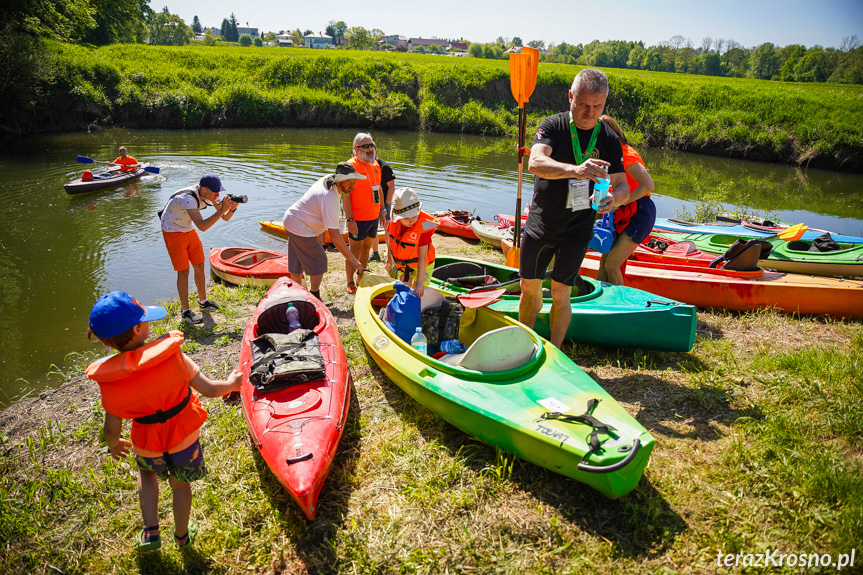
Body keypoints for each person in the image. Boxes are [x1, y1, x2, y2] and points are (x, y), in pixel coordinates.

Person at [84, 291, 242, 551]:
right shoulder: (172, 355)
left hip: (147, 442)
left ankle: (150, 533)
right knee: (180, 485)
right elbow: (211, 390)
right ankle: (181, 536)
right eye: (145, 319)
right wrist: (233, 383)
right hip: (183, 437)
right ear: (138, 329)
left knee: (147, 475)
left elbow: (111, 428)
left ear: (107, 343)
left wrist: (114, 445)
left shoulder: (111, 379)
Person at [520, 68, 630, 348]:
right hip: (541, 225)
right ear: (570, 96)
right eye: (583, 104)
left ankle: (555, 351)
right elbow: (535, 163)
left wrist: (613, 200)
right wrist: (576, 170)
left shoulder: (608, 138)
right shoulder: (552, 126)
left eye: (598, 106)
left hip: (577, 230)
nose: (590, 112)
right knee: (530, 290)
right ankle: (521, 346)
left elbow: (623, 186)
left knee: (561, 294)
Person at [282, 162, 366, 301]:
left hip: (293, 220)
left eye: (354, 181)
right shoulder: (330, 197)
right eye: (348, 181)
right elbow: (335, 236)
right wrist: (353, 260)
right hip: (300, 226)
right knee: (319, 260)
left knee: (296, 263)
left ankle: (297, 296)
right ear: (339, 181)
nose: (352, 185)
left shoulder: (330, 180)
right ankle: (314, 297)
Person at [159, 174, 237, 324]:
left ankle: (203, 301)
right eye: (214, 191)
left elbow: (224, 217)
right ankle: (186, 311)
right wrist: (222, 210)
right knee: (183, 270)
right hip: (172, 230)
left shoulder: (210, 194)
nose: (217, 195)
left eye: (218, 191)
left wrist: (231, 209)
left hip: (187, 228)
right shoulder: (187, 198)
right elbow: (202, 226)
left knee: (199, 264)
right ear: (203, 189)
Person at [597, 115, 656, 285]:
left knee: (612, 265)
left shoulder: (625, 153)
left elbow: (648, 185)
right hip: (622, 211)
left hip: (639, 212)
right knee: (604, 262)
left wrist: (621, 201)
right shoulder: (610, 155)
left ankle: (617, 307)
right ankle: (599, 303)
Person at [343, 133, 385, 294]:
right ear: (356, 148)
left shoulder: (375, 165)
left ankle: (361, 278)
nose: (370, 149)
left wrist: (382, 211)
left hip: (373, 217)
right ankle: (349, 281)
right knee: (353, 252)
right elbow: (345, 196)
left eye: (371, 145)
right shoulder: (349, 167)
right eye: (365, 146)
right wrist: (350, 219)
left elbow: (379, 188)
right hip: (358, 219)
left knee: (367, 249)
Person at [385, 187, 436, 297]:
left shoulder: (423, 228)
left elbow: (422, 257)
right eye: (406, 218)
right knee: (404, 288)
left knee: (418, 292)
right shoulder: (393, 224)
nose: (411, 221)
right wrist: (389, 258)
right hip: (405, 263)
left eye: (414, 216)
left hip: (423, 264)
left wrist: (419, 283)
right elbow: (391, 241)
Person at [369, 155, 396, 262]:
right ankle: (375, 253)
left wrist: (386, 204)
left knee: (387, 228)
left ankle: (390, 253)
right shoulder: (365, 166)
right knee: (373, 228)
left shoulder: (385, 167)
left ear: (376, 152)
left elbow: (391, 187)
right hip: (372, 202)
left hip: (385, 201)